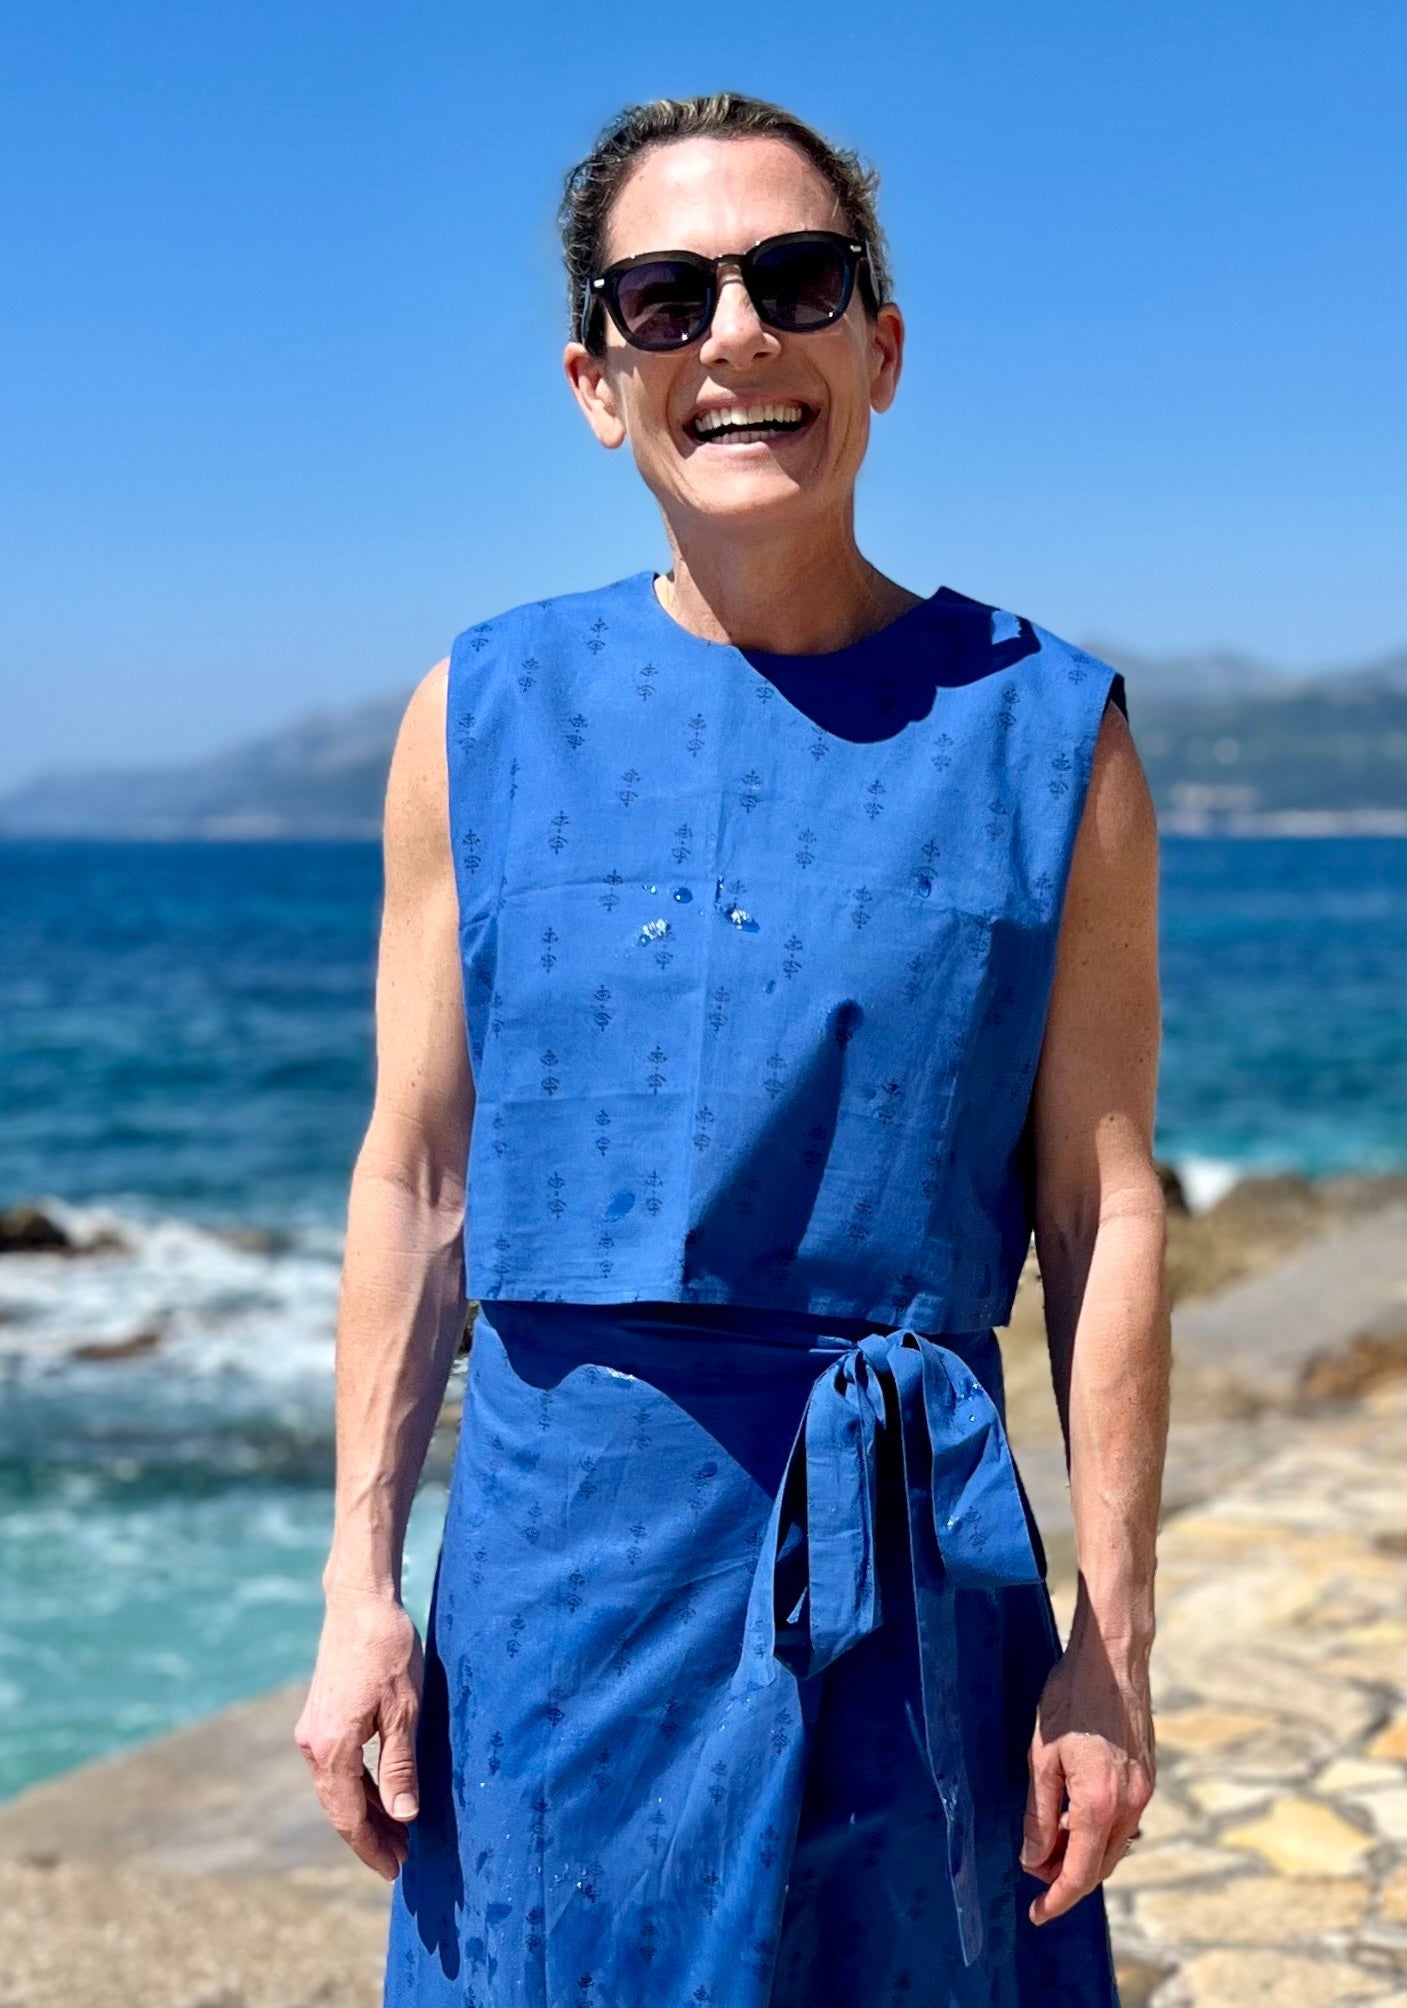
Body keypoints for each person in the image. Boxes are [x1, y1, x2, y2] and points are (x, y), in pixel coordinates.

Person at [294, 92, 1169, 2006]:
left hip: (915, 1589)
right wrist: (360, 1585)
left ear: (883, 345)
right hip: (557, 1588)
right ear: (598, 381)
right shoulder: (478, 710)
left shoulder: (1049, 728)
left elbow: (1105, 1210)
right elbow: (418, 1172)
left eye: (798, 279)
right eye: (667, 299)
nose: (739, 338)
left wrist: (1117, 1644)